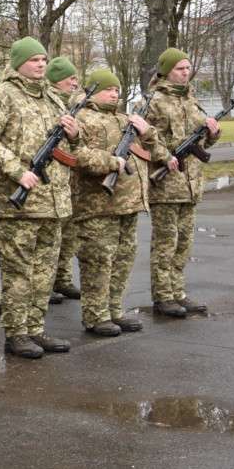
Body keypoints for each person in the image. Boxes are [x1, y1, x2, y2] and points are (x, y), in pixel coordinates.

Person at [0, 37, 80, 359]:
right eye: (34, 60)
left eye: (44, 59)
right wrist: (17, 172)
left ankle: (35, 328)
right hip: (18, 203)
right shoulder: (0, 96)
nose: (41, 64)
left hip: (53, 203)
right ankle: (16, 333)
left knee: (45, 273)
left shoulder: (54, 100)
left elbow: (71, 150)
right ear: (18, 63)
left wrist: (74, 134)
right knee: (19, 274)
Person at [70, 69, 162, 335]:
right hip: (97, 205)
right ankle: (96, 315)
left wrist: (148, 132)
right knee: (98, 260)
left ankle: (114, 309)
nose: (114, 94)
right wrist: (111, 163)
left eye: (117, 90)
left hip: (127, 205)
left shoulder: (124, 118)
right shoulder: (82, 118)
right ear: (93, 90)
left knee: (123, 259)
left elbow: (151, 150)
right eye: (108, 89)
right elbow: (77, 156)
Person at [144, 47, 221, 317]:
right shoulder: (153, 101)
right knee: (166, 243)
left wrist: (212, 134)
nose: (185, 72)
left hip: (191, 184)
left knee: (184, 244)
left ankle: (178, 292)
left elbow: (200, 141)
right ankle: (163, 296)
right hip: (166, 185)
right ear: (167, 71)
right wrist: (163, 156)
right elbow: (140, 139)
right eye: (180, 68)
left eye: (188, 68)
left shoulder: (191, 99)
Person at [46, 56, 83, 304]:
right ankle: (48, 284)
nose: (75, 84)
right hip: (48, 180)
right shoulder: (51, 103)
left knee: (67, 236)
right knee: (51, 241)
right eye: (72, 79)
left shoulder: (71, 104)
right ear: (59, 80)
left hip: (67, 181)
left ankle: (62, 279)